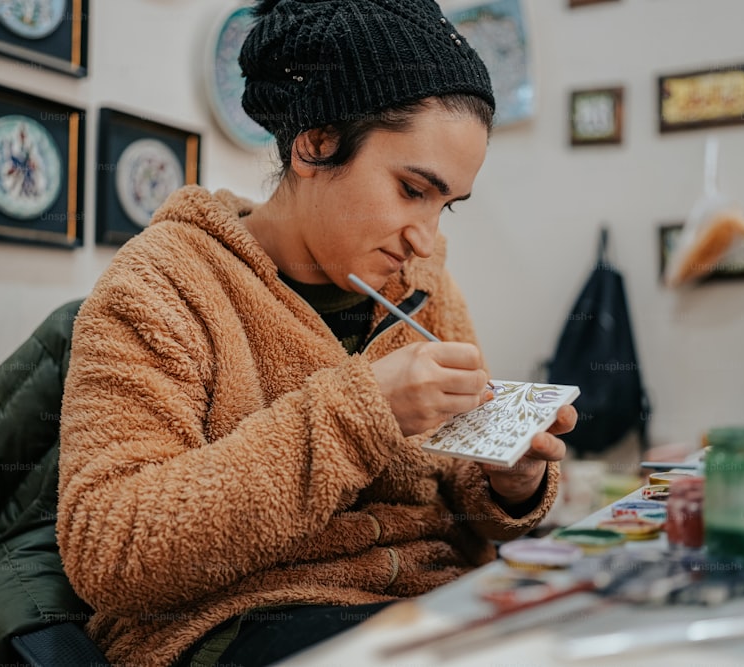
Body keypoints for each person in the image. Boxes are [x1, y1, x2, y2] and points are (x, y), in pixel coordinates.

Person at [56, 1, 576, 665]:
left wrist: (508, 479)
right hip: (245, 625)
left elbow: (457, 499)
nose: (428, 235)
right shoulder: (162, 283)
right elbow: (111, 549)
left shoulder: (424, 285)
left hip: (433, 600)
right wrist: (361, 413)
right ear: (316, 142)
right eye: (413, 189)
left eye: (446, 205)